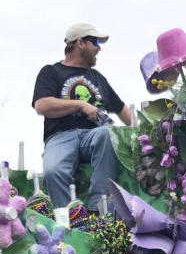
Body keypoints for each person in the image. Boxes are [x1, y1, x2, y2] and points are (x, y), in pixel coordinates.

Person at [32, 23, 130, 213]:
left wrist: (146, 134)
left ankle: (98, 210)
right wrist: (80, 105)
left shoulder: (98, 78)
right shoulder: (51, 72)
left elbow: (123, 110)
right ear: (80, 43)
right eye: (95, 42)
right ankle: (69, 220)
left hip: (94, 136)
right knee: (53, 171)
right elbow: (42, 105)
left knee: (108, 133)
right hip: (61, 136)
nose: (99, 48)